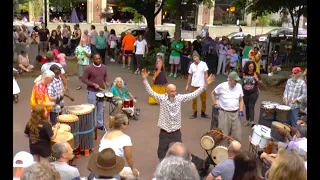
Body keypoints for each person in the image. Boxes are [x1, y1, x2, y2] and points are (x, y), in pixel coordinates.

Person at [141, 68, 215, 161]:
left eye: (175, 91)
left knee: (179, 152)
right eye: (171, 91)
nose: (174, 93)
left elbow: (194, 94)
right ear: (167, 91)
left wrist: (205, 85)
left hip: (176, 130)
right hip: (164, 130)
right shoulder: (162, 98)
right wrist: (144, 80)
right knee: (161, 152)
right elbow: (151, 92)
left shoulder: (179, 98)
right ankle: (162, 168)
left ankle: (178, 167)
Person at [98, 114, 139, 178]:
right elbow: (129, 157)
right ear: (122, 125)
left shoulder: (106, 134)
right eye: (127, 123)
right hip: (112, 166)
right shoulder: (125, 138)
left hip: (100, 163)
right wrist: (133, 169)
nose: (128, 125)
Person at [211, 72, 244, 141]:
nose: (237, 82)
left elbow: (241, 99)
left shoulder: (239, 86)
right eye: (235, 80)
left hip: (235, 113)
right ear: (230, 80)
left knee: (236, 134)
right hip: (224, 112)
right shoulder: (222, 86)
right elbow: (212, 93)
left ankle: (234, 148)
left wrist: (241, 110)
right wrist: (215, 104)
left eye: (237, 80)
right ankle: (223, 148)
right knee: (223, 133)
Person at [82, 53, 109, 131]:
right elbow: (83, 79)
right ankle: (91, 125)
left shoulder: (104, 67)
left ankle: (100, 124)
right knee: (91, 109)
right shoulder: (88, 68)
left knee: (100, 109)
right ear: (93, 59)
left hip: (101, 91)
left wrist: (106, 81)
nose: (98, 60)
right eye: (96, 59)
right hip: (91, 92)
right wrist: (93, 84)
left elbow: (105, 76)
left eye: (99, 58)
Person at [186, 51, 210, 119]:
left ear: (198, 57)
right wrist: (188, 85)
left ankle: (203, 112)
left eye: (196, 57)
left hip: (202, 85)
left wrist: (206, 82)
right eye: (193, 58)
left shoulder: (203, 64)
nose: (195, 59)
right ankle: (194, 112)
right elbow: (190, 75)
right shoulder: (191, 65)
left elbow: (206, 73)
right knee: (194, 100)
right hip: (194, 85)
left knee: (204, 100)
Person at [242, 61, 262, 126]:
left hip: (254, 93)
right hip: (245, 93)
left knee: (251, 106)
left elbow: (260, 83)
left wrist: (256, 79)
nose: (251, 68)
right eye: (250, 66)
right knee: (247, 106)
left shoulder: (256, 74)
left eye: (253, 66)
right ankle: (247, 120)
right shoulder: (243, 73)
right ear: (247, 67)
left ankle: (252, 122)